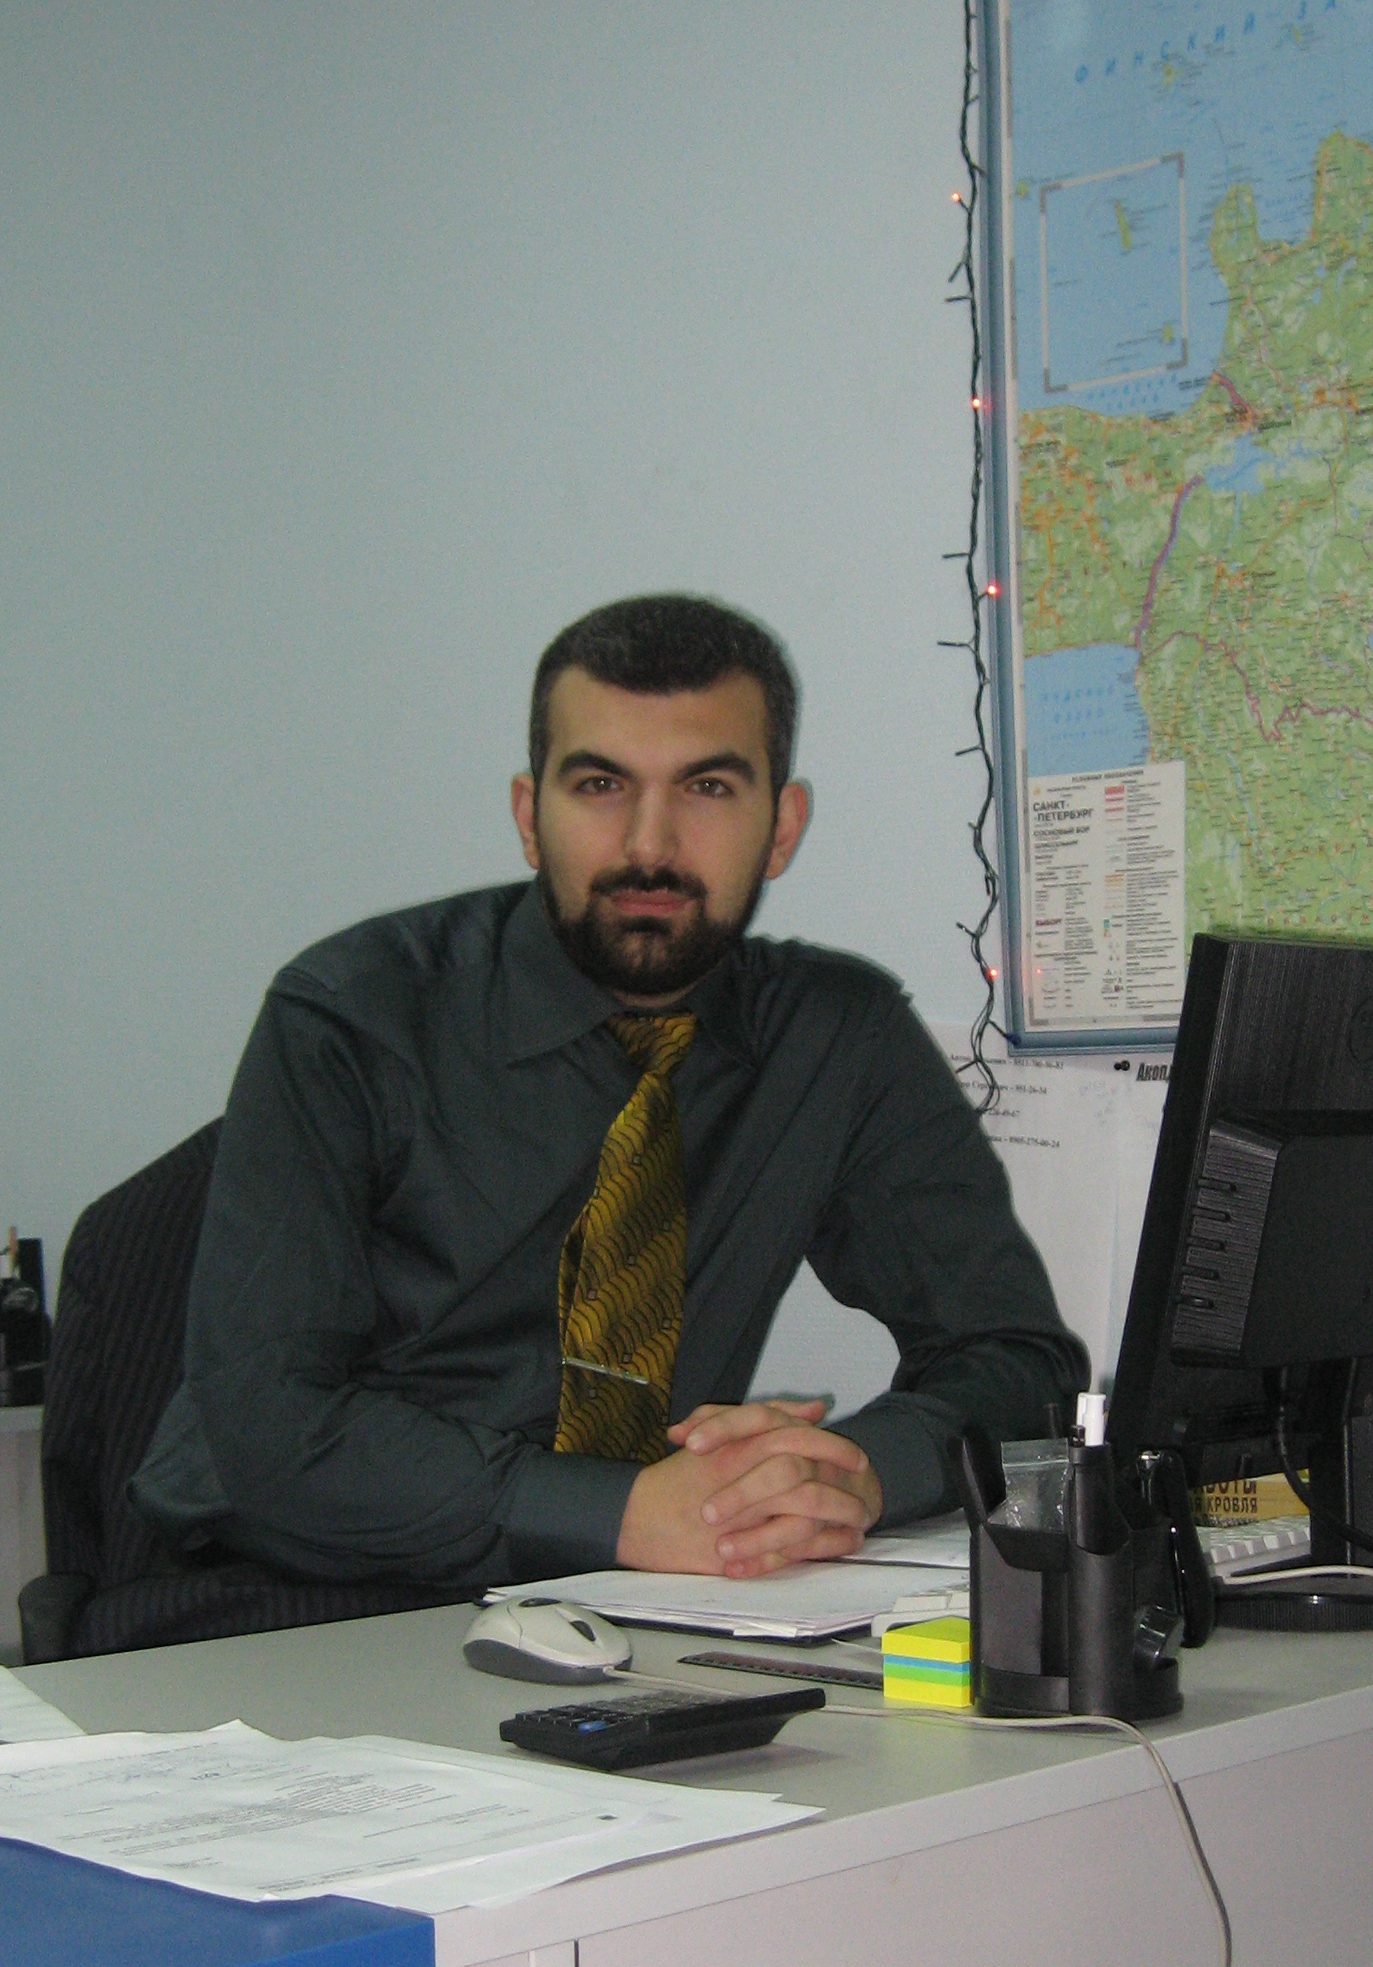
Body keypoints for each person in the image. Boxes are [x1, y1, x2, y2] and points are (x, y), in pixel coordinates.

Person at [133, 594, 1085, 1590]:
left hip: (628, 1592)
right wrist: (615, 1514)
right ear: (528, 818)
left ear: (781, 828)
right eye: (599, 784)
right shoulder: (351, 1014)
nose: (648, 845)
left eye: (707, 786)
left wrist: (850, 1471)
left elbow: (1018, 1360)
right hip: (295, 1588)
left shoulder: (835, 1036)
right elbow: (269, 1422)